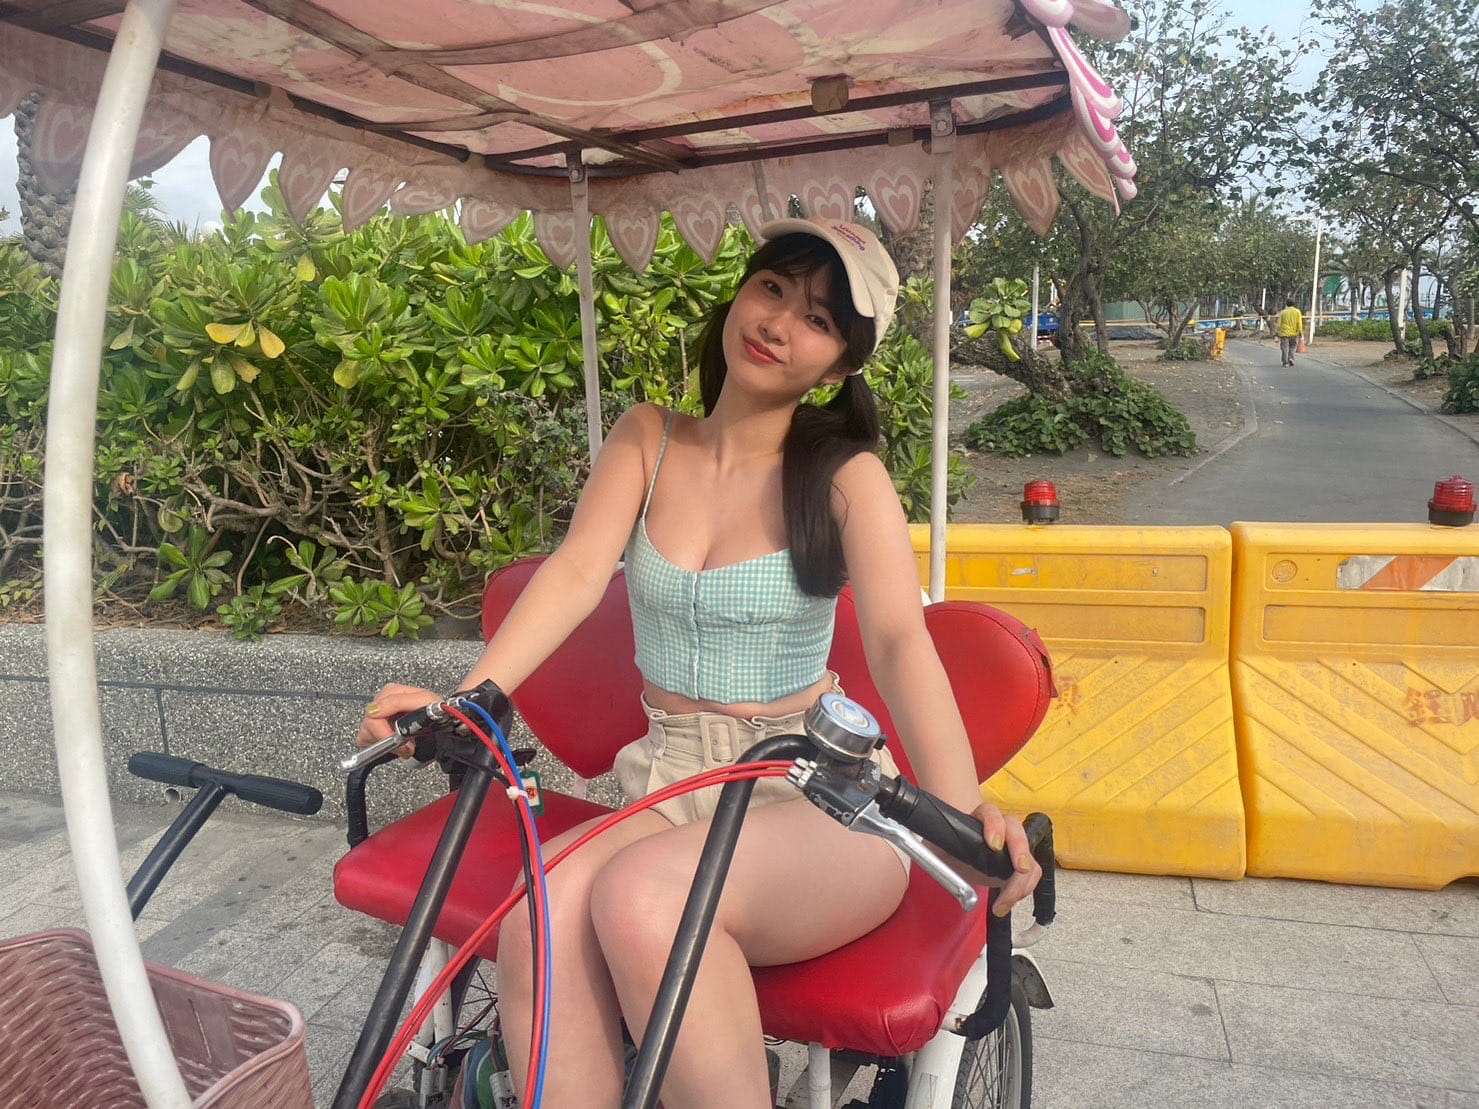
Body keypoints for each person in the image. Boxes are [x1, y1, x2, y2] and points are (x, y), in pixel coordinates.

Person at [358, 218, 1044, 1108]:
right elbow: (575, 573)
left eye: (818, 319)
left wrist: (958, 813)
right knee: (537, 918)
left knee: (646, 901)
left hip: (814, 793)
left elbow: (897, 640)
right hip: (668, 779)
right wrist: (469, 699)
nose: (779, 323)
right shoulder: (648, 438)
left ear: (839, 365)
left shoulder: (844, 476)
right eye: (772, 288)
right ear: (740, 293)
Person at [1275, 299, 1305, 366]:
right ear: (1294, 304)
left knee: (1284, 348)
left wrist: (1277, 334)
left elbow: (1279, 324)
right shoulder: (1297, 312)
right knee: (1292, 346)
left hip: (1284, 333)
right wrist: (1301, 333)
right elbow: (1299, 323)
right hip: (1294, 333)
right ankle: (1291, 358)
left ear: (1286, 304)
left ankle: (1285, 362)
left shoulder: (1282, 312)